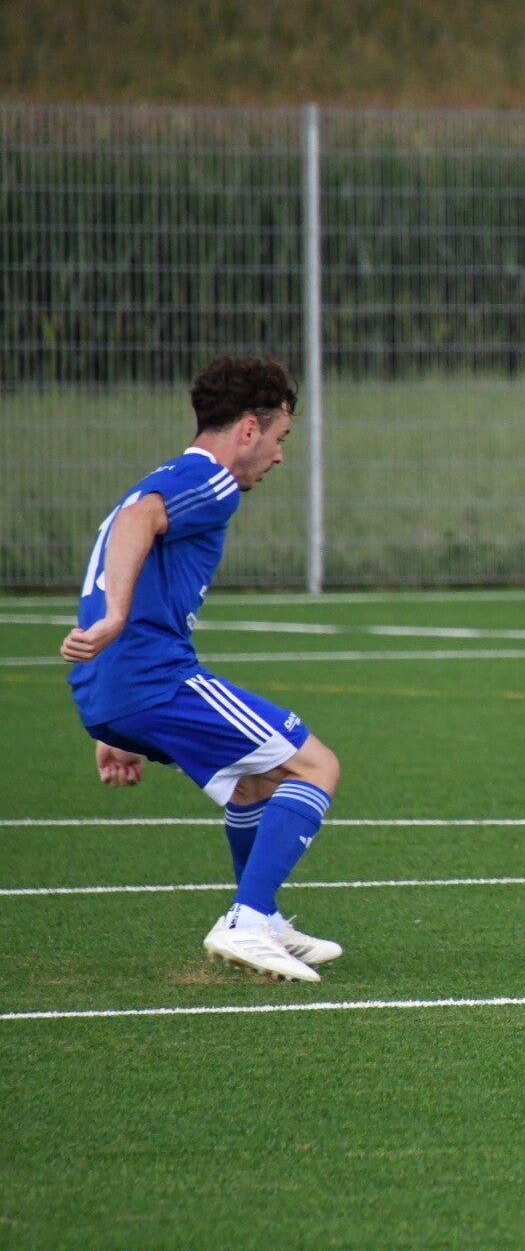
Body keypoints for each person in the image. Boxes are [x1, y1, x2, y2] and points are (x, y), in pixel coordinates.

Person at [61, 356, 343, 982]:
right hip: (151, 676)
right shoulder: (209, 479)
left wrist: (114, 719)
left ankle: (263, 918)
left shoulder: (161, 478)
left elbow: (128, 532)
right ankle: (247, 918)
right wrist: (115, 620)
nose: (279, 455)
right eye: (280, 437)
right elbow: (139, 522)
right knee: (316, 765)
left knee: (252, 781)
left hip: (114, 688)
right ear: (248, 429)